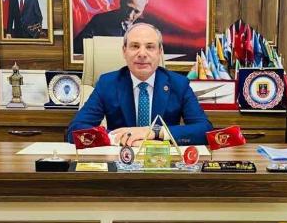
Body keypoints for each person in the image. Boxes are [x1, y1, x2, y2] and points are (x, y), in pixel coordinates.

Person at [67, 23, 212, 146]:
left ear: (160, 52)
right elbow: (75, 131)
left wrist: (154, 132)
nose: (142, 53)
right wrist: (119, 138)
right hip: (121, 161)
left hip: (162, 162)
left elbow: (205, 131)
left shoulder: (179, 84)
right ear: (124, 51)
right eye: (135, 46)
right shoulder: (107, 84)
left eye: (150, 47)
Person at [72, 0, 149, 54]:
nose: (130, 15)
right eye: (128, 8)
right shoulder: (99, 21)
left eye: (137, 11)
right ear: (121, 1)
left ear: (143, 9)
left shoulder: (147, 28)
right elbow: (77, 48)